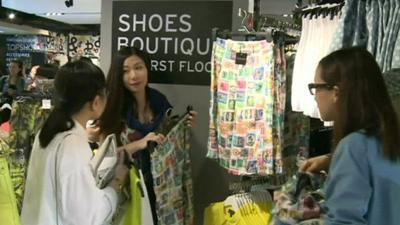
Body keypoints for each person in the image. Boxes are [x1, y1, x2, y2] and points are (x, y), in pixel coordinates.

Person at [21, 60, 129, 225]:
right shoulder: (72, 144)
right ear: (95, 102)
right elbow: (87, 217)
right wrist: (117, 182)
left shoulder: (50, 130)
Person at [98, 46, 196, 223]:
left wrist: (181, 126)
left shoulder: (159, 102)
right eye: (126, 71)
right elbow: (105, 157)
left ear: (147, 68)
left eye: (138, 67)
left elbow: (166, 140)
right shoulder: (113, 108)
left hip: (161, 192)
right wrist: (139, 143)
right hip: (129, 192)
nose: (134, 76)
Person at [305, 47, 400, 224]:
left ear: (336, 92)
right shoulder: (388, 138)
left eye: (316, 87)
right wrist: (332, 160)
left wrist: (286, 207)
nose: (315, 97)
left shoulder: (354, 146)